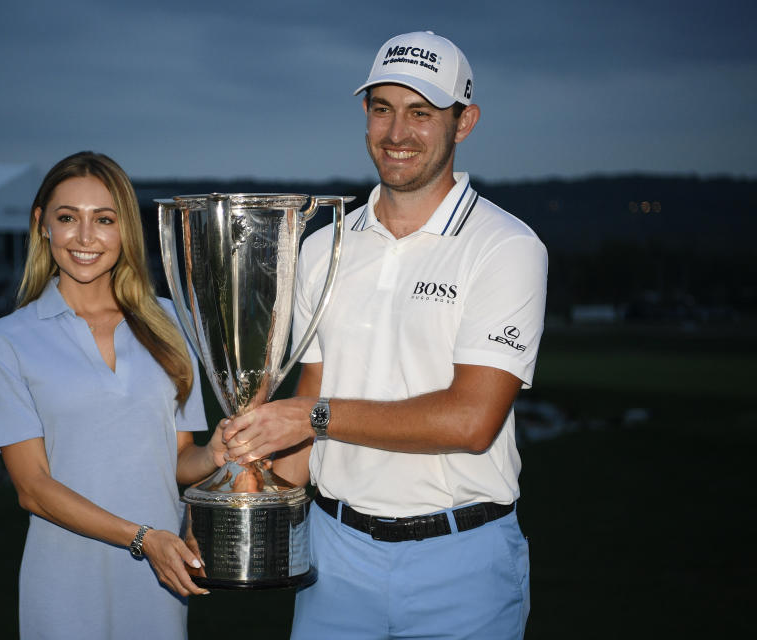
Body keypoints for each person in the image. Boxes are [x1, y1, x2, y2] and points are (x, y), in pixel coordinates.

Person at [221, 31, 548, 639]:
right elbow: (306, 434)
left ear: (464, 121)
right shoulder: (322, 248)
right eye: (382, 109)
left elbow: (471, 422)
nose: (397, 133)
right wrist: (243, 464)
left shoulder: (506, 247)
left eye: (421, 113)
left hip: (462, 559)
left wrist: (309, 417)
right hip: (334, 556)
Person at [0, 151, 226, 639]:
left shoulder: (172, 322)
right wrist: (141, 538)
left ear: (125, 229)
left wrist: (215, 453)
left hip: (160, 580)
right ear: (41, 225)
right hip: (65, 584)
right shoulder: (8, 341)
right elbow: (33, 488)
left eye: (104, 219)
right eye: (68, 218)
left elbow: (177, 460)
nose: (86, 238)